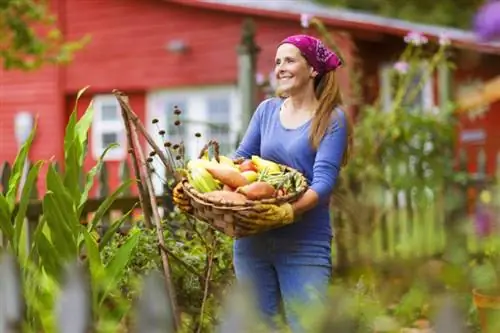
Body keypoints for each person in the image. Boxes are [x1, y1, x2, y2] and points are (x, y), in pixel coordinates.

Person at [174, 34, 352, 332]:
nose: (280, 67)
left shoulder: (331, 119)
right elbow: (241, 161)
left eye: (289, 60)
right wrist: (196, 188)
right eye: (277, 61)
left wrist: (289, 212)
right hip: (253, 239)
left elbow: (323, 182)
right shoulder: (267, 111)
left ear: (313, 70)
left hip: (304, 242)